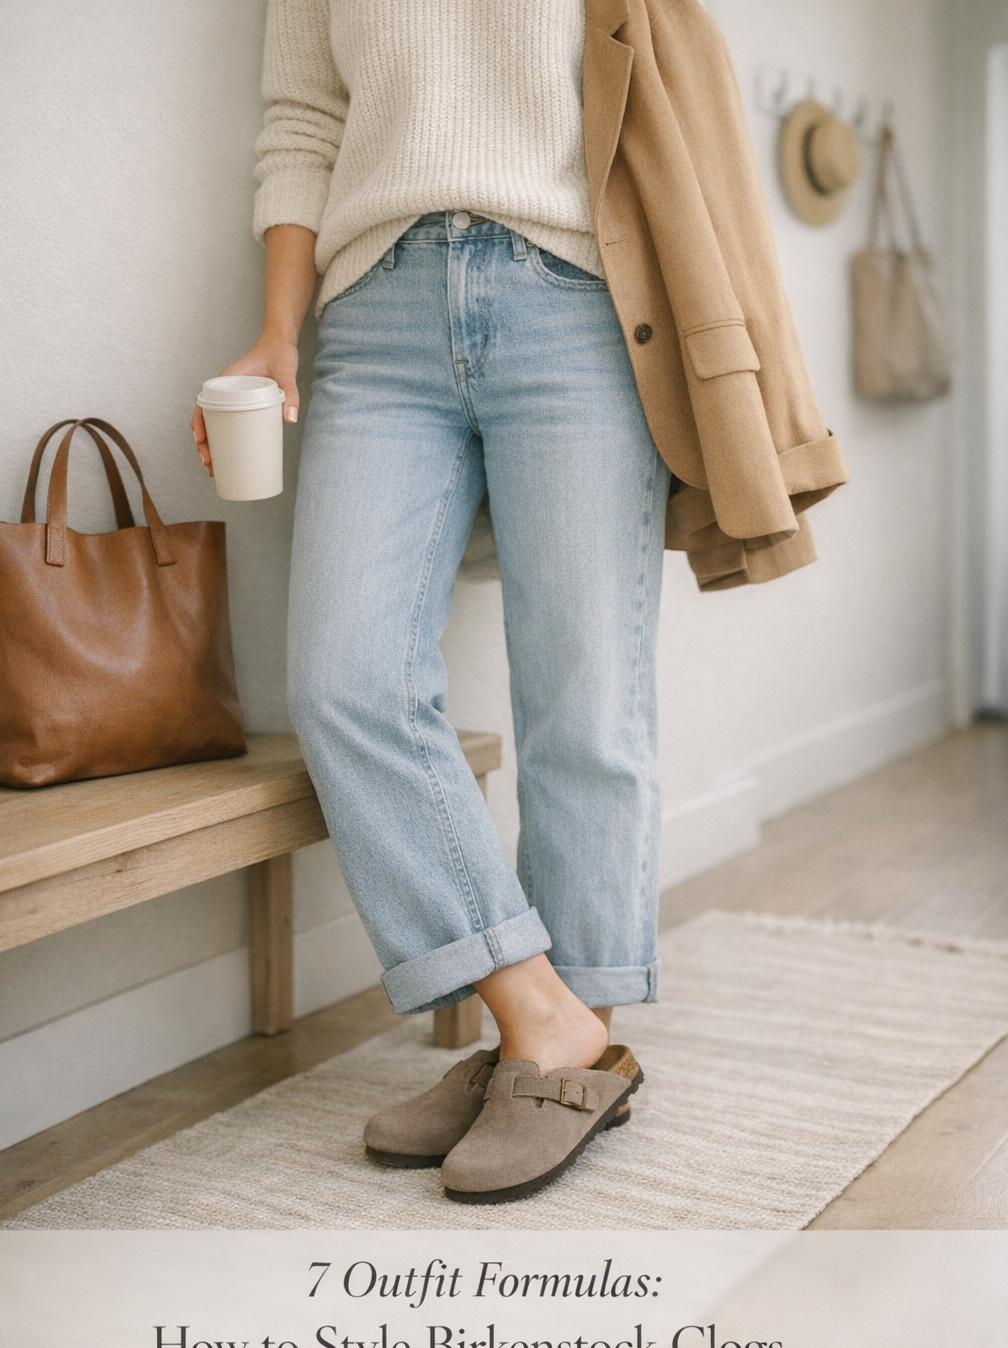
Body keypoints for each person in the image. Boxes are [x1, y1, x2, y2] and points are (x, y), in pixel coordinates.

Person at [191, 0, 662, 1201]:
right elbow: (302, 117)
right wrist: (276, 334)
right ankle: (538, 1018)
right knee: (346, 680)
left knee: (584, 692)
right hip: (376, 308)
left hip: (576, 295)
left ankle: (558, 1052)